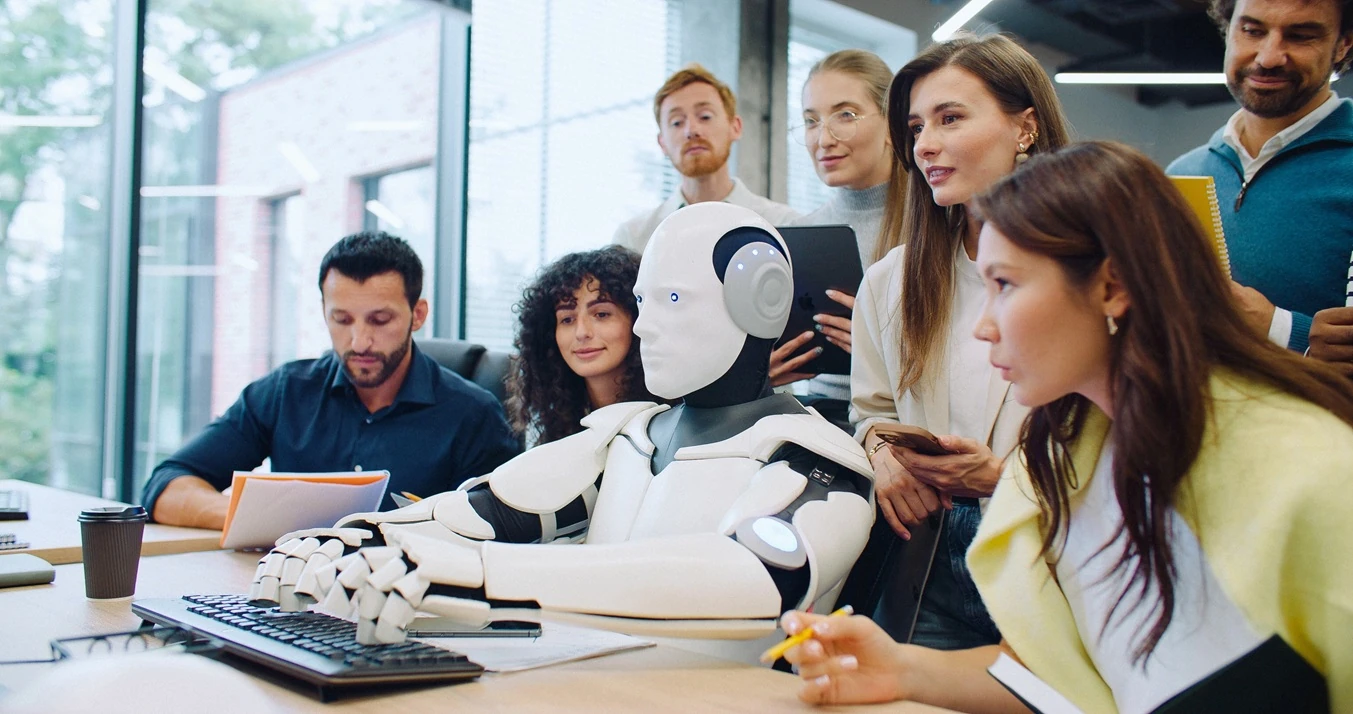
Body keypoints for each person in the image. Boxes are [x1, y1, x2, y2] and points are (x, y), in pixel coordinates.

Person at [780, 141, 1353, 712]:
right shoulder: (1061, 462)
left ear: (1111, 287)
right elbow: (1062, 678)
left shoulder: (1310, 471)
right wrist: (900, 668)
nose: (983, 326)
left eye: (1005, 285)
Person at [249, 203, 875, 653]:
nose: (645, 326)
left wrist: (474, 576)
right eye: (644, 302)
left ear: (762, 299)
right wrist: (355, 539)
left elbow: (755, 578)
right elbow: (483, 510)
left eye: (672, 300)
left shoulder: (817, 458)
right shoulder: (627, 434)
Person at [846, 34, 1071, 650]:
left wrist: (1002, 477)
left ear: (1025, 128)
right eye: (917, 127)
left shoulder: (1090, 269)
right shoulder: (891, 280)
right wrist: (883, 455)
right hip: (928, 560)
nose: (925, 144)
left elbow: (1126, 441)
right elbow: (872, 411)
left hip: (1052, 551)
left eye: (950, 118)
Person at [141, 232, 520, 529]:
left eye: (380, 320)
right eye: (342, 320)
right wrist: (265, 521)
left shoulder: (474, 415)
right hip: (290, 590)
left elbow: (503, 531)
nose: (359, 341)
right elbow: (165, 486)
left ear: (417, 315)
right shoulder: (286, 392)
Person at [1167, 0, 1353, 359]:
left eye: (1301, 35)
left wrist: (1282, 330)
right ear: (1228, 28)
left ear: (1343, 43)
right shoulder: (1180, 175)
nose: (1268, 57)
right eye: (1252, 31)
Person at [770, 50, 894, 411]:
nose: (823, 139)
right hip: (815, 417)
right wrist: (763, 373)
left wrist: (883, 352)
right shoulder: (800, 233)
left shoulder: (935, 228)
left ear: (892, 122)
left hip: (902, 421)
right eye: (811, 121)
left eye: (846, 115)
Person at [612, 64, 799, 253]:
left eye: (705, 117)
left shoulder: (784, 225)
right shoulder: (633, 240)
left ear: (735, 127)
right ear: (662, 143)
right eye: (676, 122)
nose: (691, 130)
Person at [505, 245, 657, 446]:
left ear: (638, 319)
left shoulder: (672, 419)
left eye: (601, 314)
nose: (582, 332)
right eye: (567, 319)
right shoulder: (554, 423)